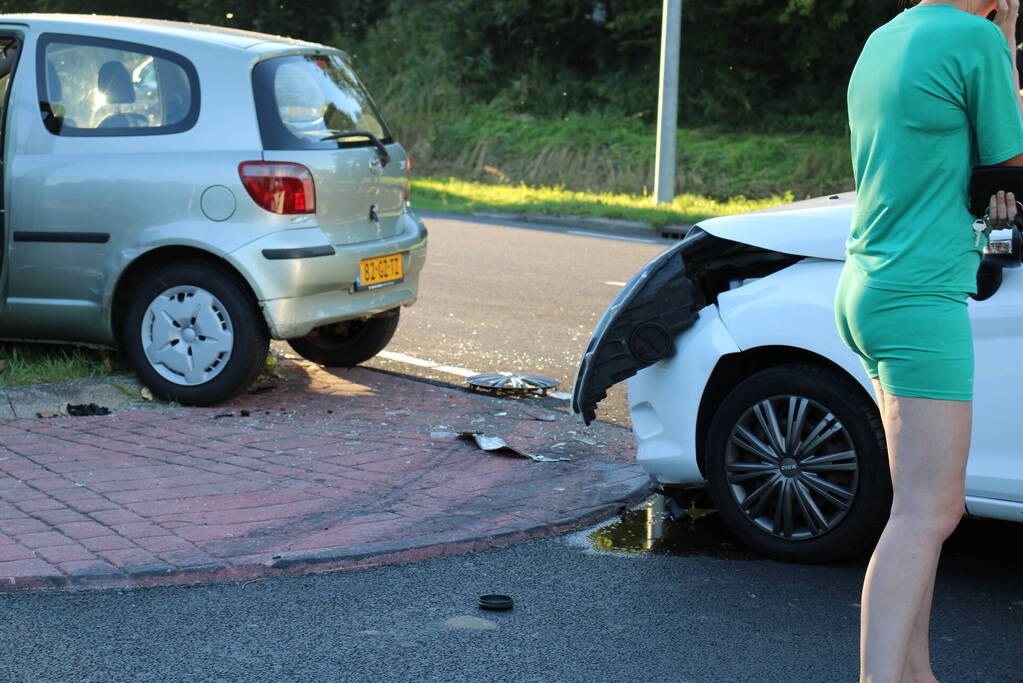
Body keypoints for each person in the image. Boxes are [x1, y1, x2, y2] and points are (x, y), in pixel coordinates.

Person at [837, 1, 1023, 681]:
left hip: (868, 284)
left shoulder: (885, 38)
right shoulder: (974, 38)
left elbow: (940, 159)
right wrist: (1003, 43)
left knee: (918, 507)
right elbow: (1014, 158)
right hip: (919, 295)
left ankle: (915, 673)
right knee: (929, 511)